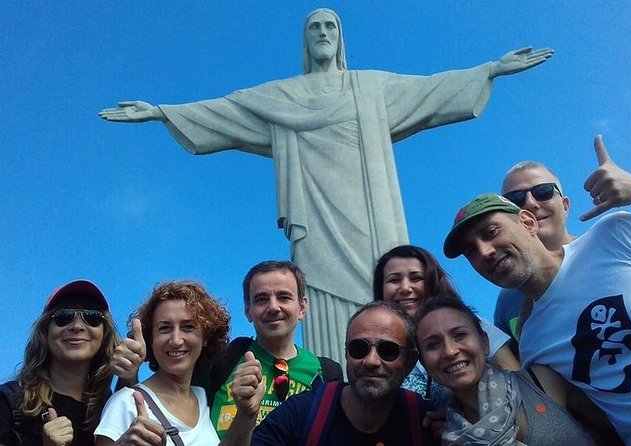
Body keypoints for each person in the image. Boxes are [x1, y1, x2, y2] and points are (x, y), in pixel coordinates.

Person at [99, 7, 554, 366]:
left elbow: (431, 90)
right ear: (305, 39)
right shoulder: (281, 97)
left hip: (373, 211)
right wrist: (162, 112)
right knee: (316, 292)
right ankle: (336, 373)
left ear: (339, 39)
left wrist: (490, 70)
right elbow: (228, 111)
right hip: (315, 218)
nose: (321, 33)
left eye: (329, 26)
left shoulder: (370, 87)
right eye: (313, 26)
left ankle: (398, 367)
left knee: (389, 282)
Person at [442, 192, 631, 444]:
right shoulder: (532, 343)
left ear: (528, 222)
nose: (484, 252)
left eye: (491, 232)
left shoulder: (614, 236)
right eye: (471, 251)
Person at [110, 261, 342, 442]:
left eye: (284, 297)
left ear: (302, 307)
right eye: (261, 299)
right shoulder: (221, 362)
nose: (273, 307)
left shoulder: (327, 373)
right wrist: (127, 375)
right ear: (248, 311)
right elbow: (156, 396)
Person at [494, 135, 631, 353]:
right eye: (516, 200)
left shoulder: (616, 240)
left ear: (565, 206)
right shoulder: (508, 302)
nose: (531, 203)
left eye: (543, 192)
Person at [415, 295, 620, 445]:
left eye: (460, 335)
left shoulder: (543, 381)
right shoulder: (449, 436)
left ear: (485, 342)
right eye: (433, 345)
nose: (450, 351)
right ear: (424, 363)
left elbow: (617, 433)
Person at [246, 301, 436, 445]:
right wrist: (245, 415)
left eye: (388, 350)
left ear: (410, 362)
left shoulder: (426, 422)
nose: (371, 361)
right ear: (346, 354)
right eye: (358, 348)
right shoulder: (301, 414)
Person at [372, 245, 518, 403]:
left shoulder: (471, 324)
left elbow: (516, 379)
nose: (406, 288)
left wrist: (465, 414)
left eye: (416, 278)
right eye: (394, 280)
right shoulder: (374, 350)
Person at [95, 280, 230, 445]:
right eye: (165, 328)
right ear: (150, 339)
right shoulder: (126, 402)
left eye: (188, 327)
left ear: (206, 337)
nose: (176, 340)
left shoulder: (202, 398)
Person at [0, 280, 119, 446]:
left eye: (92, 317)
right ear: (45, 332)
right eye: (64, 316)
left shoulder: (112, 409)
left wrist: (129, 378)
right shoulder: (8, 401)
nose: (77, 326)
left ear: (104, 334)